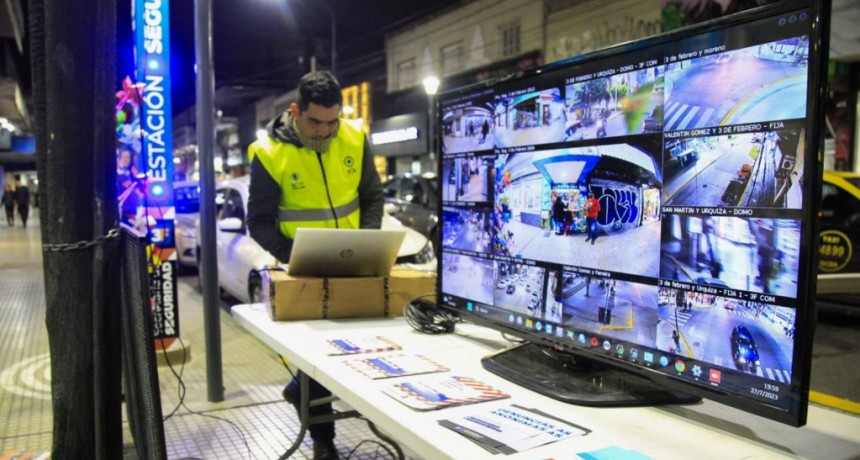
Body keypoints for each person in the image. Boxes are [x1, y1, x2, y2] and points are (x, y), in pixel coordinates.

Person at [246, 71, 383, 460]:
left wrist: (366, 241)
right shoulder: (270, 154)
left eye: (332, 121)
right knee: (317, 358)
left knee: (354, 352)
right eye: (315, 121)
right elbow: (257, 222)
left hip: (354, 264)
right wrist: (297, 257)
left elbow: (372, 198)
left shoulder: (354, 138)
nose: (324, 131)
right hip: (302, 272)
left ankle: (299, 390)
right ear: (295, 111)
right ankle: (324, 441)